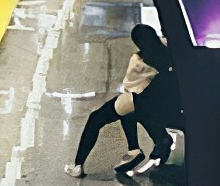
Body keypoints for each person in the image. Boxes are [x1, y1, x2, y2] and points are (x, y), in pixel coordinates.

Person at [73, 23, 179, 176]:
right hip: (171, 107)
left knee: (102, 115)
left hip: (146, 105)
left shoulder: (139, 61)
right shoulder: (170, 51)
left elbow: (130, 90)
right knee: (137, 106)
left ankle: (78, 165)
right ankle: (159, 140)